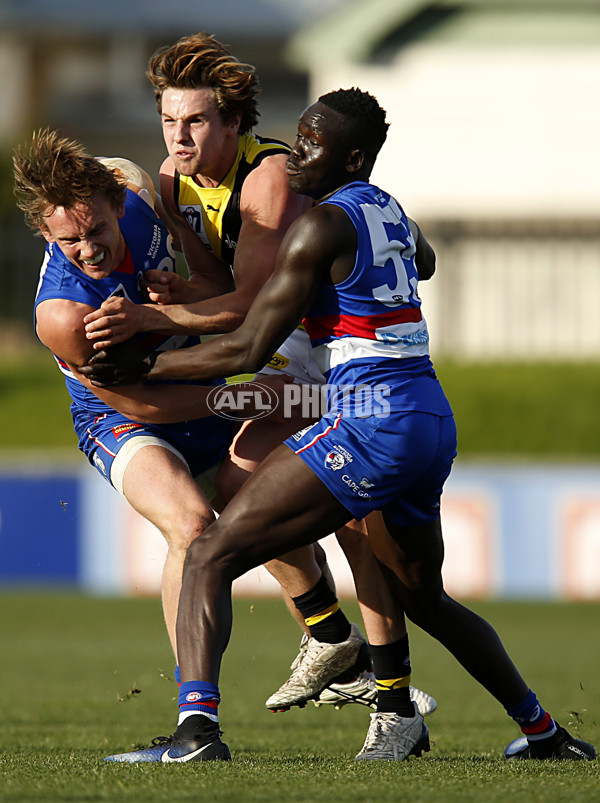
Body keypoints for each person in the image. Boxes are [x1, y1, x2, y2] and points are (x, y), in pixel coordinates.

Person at [82, 87, 597, 764]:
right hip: (429, 417)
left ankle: (197, 734)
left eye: (312, 143)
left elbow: (244, 349)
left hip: (371, 420)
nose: (297, 154)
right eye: (297, 137)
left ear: (351, 156)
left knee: (209, 552)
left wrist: (147, 364)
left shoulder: (319, 225)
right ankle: (544, 733)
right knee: (426, 598)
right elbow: (427, 259)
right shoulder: (389, 208)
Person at [81, 31, 437, 720]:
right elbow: (221, 281)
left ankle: (360, 668)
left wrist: (153, 332)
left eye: (195, 122)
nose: (178, 137)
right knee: (251, 483)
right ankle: (338, 643)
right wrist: (180, 299)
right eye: (168, 120)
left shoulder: (269, 179)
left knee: (282, 494)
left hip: (320, 352)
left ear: (234, 124)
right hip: (282, 347)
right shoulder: (170, 177)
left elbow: (248, 312)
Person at [12, 129, 286, 725]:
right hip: (123, 417)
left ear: (118, 203)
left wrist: (180, 296)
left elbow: (220, 289)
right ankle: (197, 719)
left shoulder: (137, 188)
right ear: (45, 235)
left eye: (97, 231)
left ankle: (341, 649)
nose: (88, 250)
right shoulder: (64, 316)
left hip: (196, 386)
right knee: (191, 525)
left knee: (280, 522)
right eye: (69, 241)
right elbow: (138, 403)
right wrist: (237, 400)